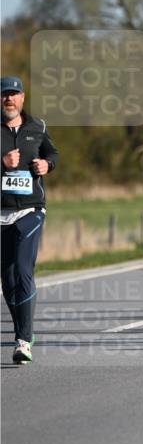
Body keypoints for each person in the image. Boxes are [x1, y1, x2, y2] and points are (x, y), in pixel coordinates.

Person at [1, 76, 58, 365]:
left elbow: (53, 153)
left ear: (22, 97)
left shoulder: (38, 127)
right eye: (4, 95)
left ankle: (23, 340)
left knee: (23, 269)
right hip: (1, 214)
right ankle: (23, 330)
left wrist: (47, 164)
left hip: (30, 211)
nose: (8, 99)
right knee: (7, 280)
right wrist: (3, 163)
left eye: (13, 94)